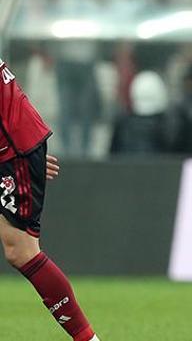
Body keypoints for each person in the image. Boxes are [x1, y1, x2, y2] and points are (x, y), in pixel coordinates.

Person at [0, 57, 100, 341]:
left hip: (10, 148)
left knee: (21, 250)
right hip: (13, 145)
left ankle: (87, 339)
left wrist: (21, 156)